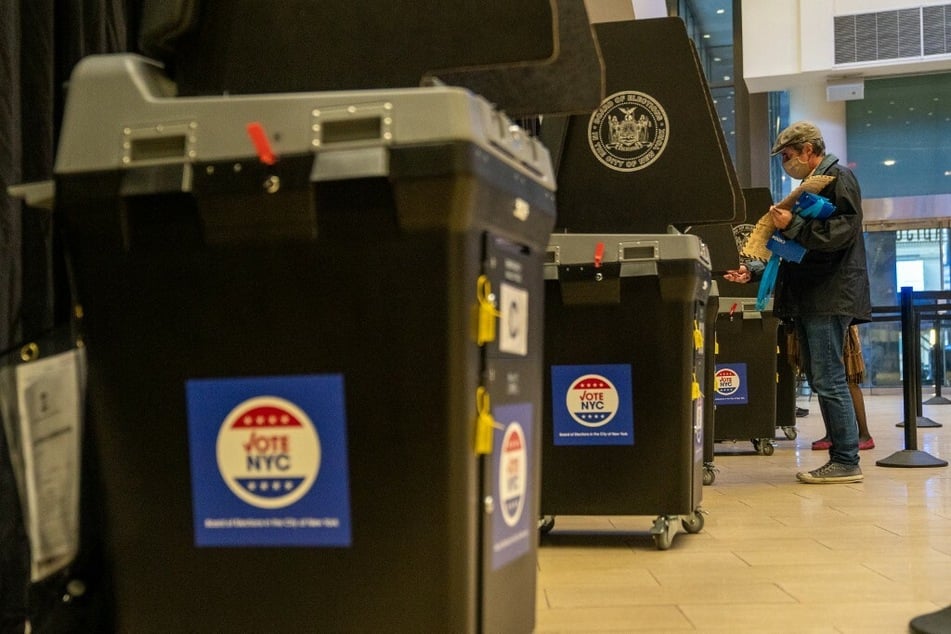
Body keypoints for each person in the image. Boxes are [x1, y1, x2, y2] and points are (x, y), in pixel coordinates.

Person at [725, 120, 872, 483]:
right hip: (812, 294)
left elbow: (841, 233)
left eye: (787, 156)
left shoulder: (837, 179)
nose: (784, 163)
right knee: (823, 378)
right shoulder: (811, 188)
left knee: (829, 377)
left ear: (809, 150)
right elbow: (797, 253)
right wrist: (755, 271)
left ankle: (846, 459)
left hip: (828, 294)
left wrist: (791, 223)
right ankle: (843, 455)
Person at [810, 324, 875, 451]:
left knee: (849, 380)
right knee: (823, 379)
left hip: (843, 325)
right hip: (822, 322)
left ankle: (864, 434)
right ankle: (831, 435)